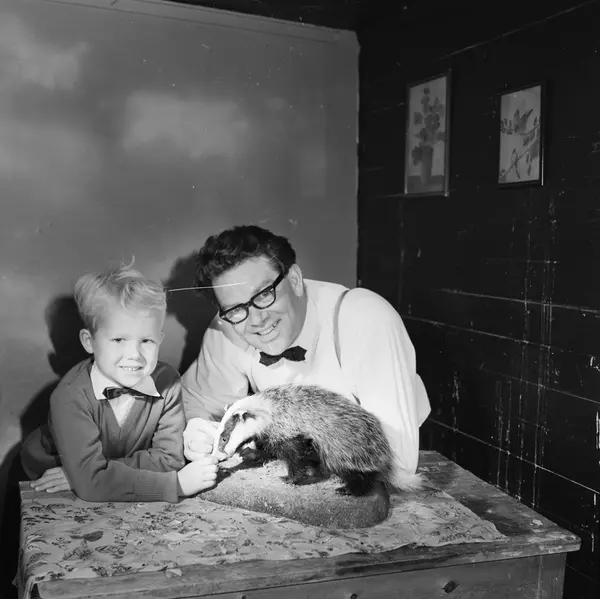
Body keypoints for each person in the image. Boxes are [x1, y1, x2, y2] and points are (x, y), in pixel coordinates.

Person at [181, 225, 431, 481]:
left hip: (376, 475)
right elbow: (198, 405)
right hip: (292, 465)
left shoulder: (365, 318)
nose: (256, 320)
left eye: (264, 294)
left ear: (294, 280)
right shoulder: (229, 325)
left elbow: (398, 463)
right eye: (236, 308)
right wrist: (199, 433)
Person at [20, 262, 218, 501]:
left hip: (88, 476)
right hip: (51, 472)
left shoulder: (168, 382)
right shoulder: (70, 396)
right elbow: (92, 485)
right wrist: (175, 486)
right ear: (89, 342)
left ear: (160, 339)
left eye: (146, 341)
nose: (134, 354)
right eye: (118, 340)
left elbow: (169, 460)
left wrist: (91, 472)